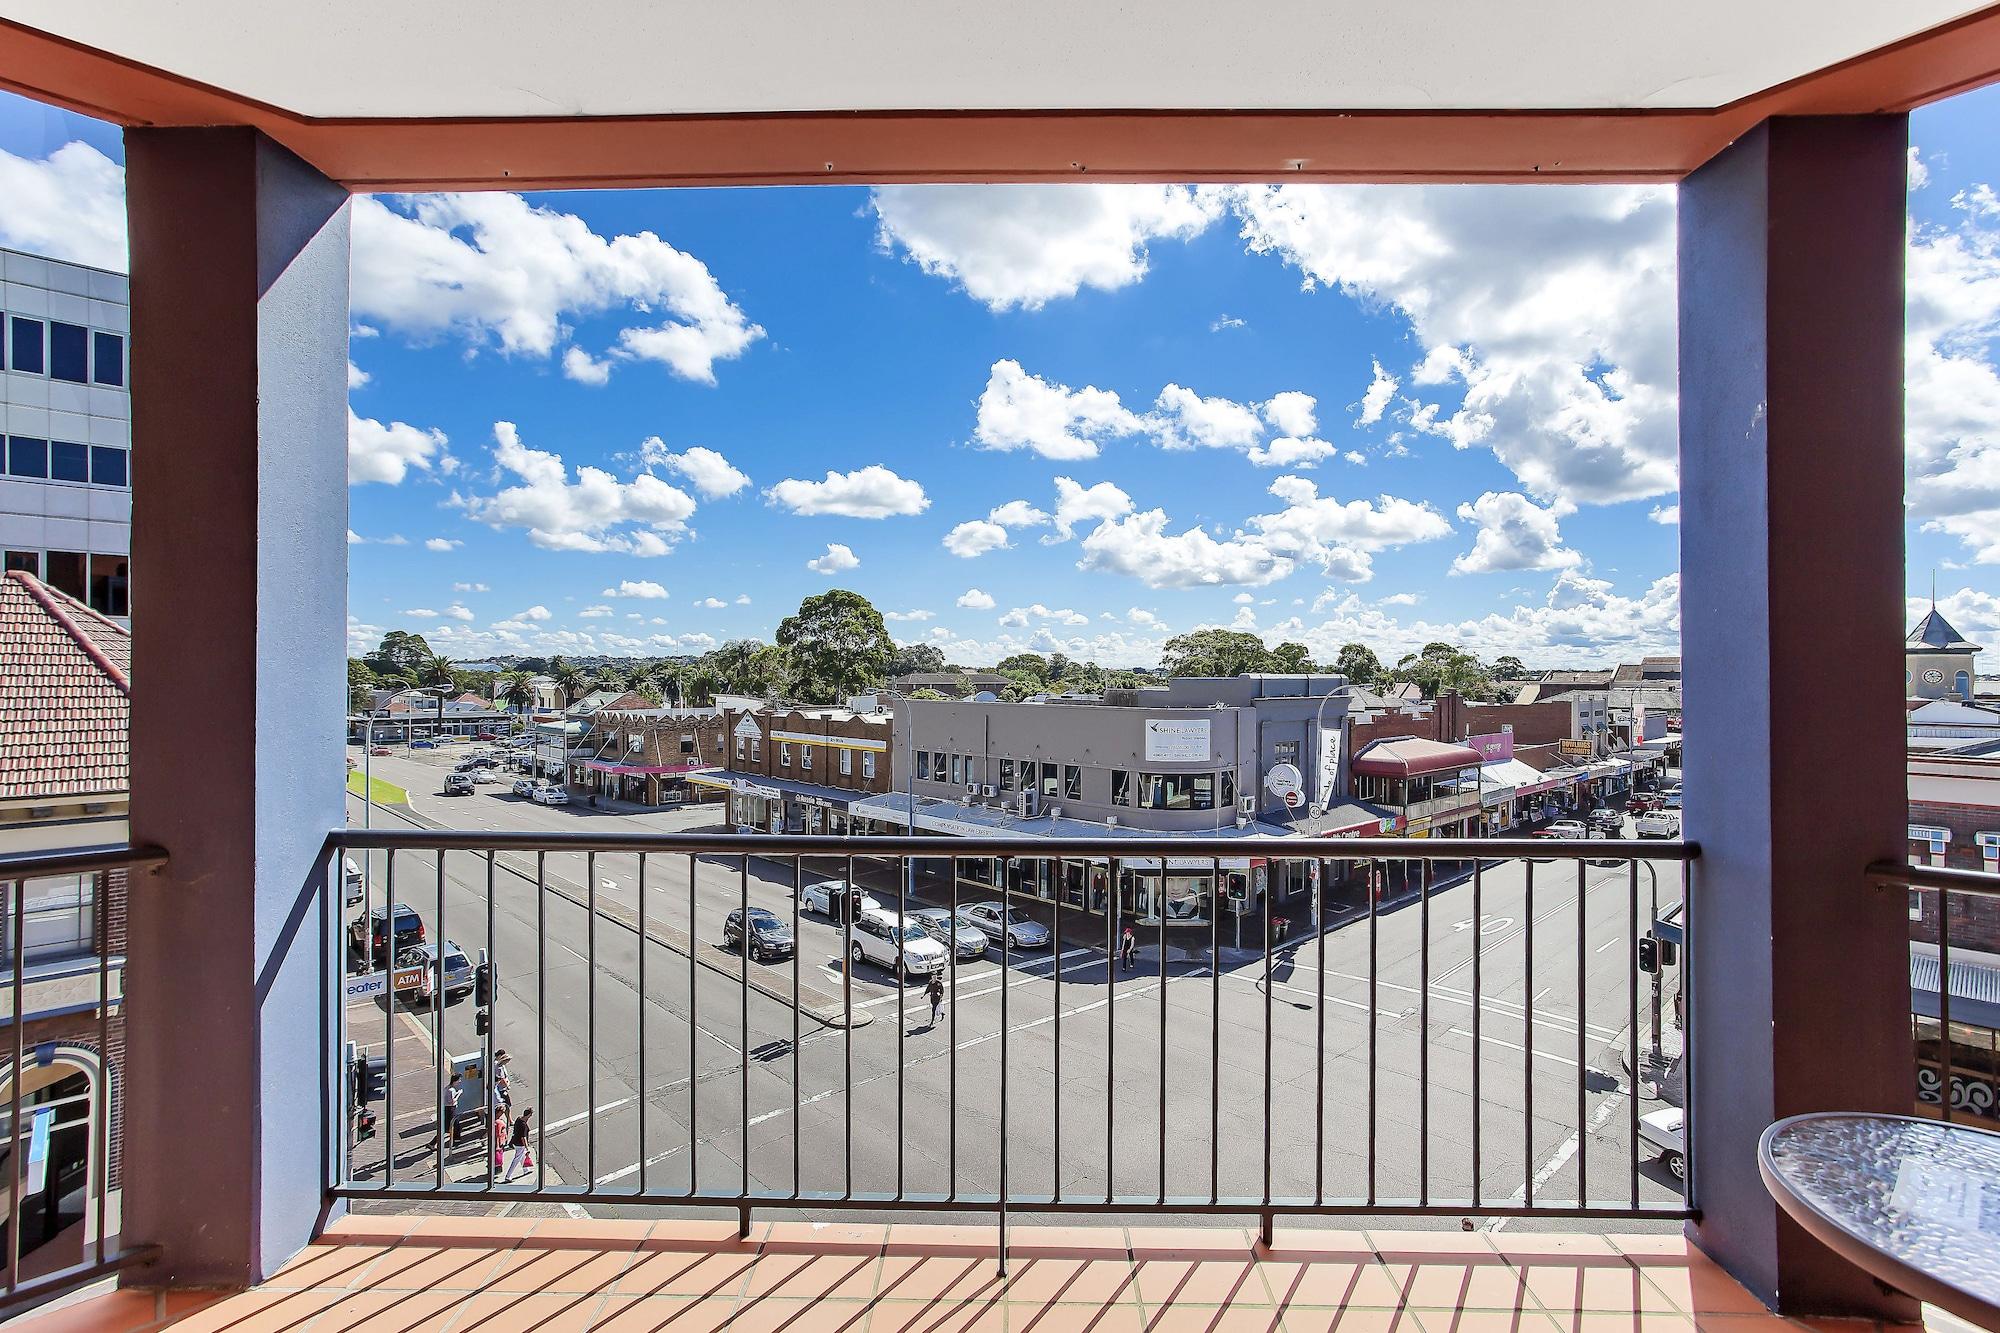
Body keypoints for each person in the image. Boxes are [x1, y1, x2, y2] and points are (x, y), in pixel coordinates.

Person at [503, 1107, 535, 1181]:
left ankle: (526, 1170)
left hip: (515, 1141)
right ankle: (508, 1176)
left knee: (522, 1156)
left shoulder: (518, 1119)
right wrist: (527, 1147)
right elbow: (523, 1137)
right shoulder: (523, 1125)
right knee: (517, 1159)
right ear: (529, 1115)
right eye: (530, 1115)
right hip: (520, 1144)